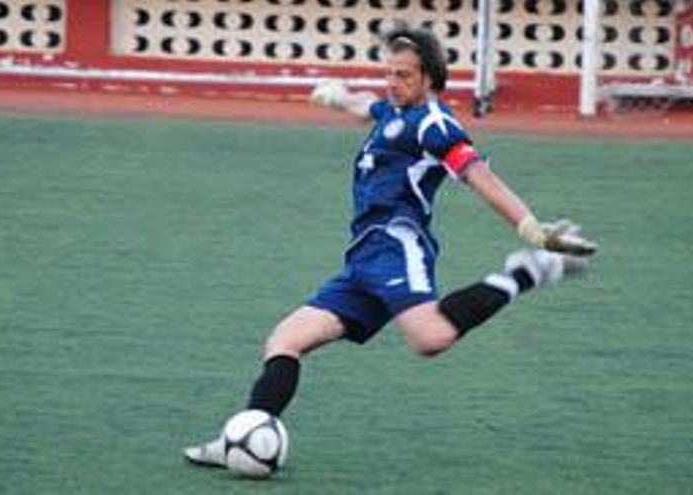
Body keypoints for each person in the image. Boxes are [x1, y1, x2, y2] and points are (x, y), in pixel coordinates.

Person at [184, 27, 596, 467]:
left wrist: (533, 229)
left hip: (398, 245)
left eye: (403, 75)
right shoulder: (394, 111)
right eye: (389, 73)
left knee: (430, 338)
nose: (392, 82)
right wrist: (338, 96)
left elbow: (480, 177)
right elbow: (370, 107)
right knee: (285, 340)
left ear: (429, 79)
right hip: (363, 257)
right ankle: (241, 437)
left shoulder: (437, 127)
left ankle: (528, 269)